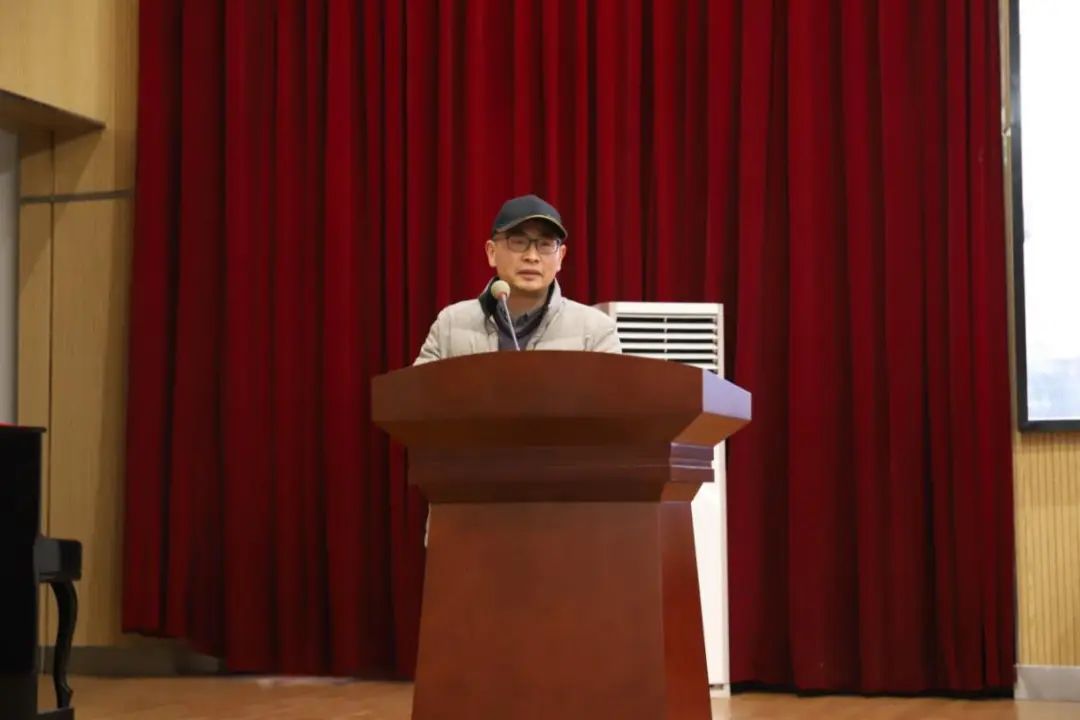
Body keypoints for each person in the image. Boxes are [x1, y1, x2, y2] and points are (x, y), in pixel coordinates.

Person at [413, 194, 621, 364]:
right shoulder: (451, 324)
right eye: (518, 242)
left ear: (560, 257)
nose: (532, 256)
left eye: (545, 245)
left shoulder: (595, 331)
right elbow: (417, 397)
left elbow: (614, 401)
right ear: (492, 252)